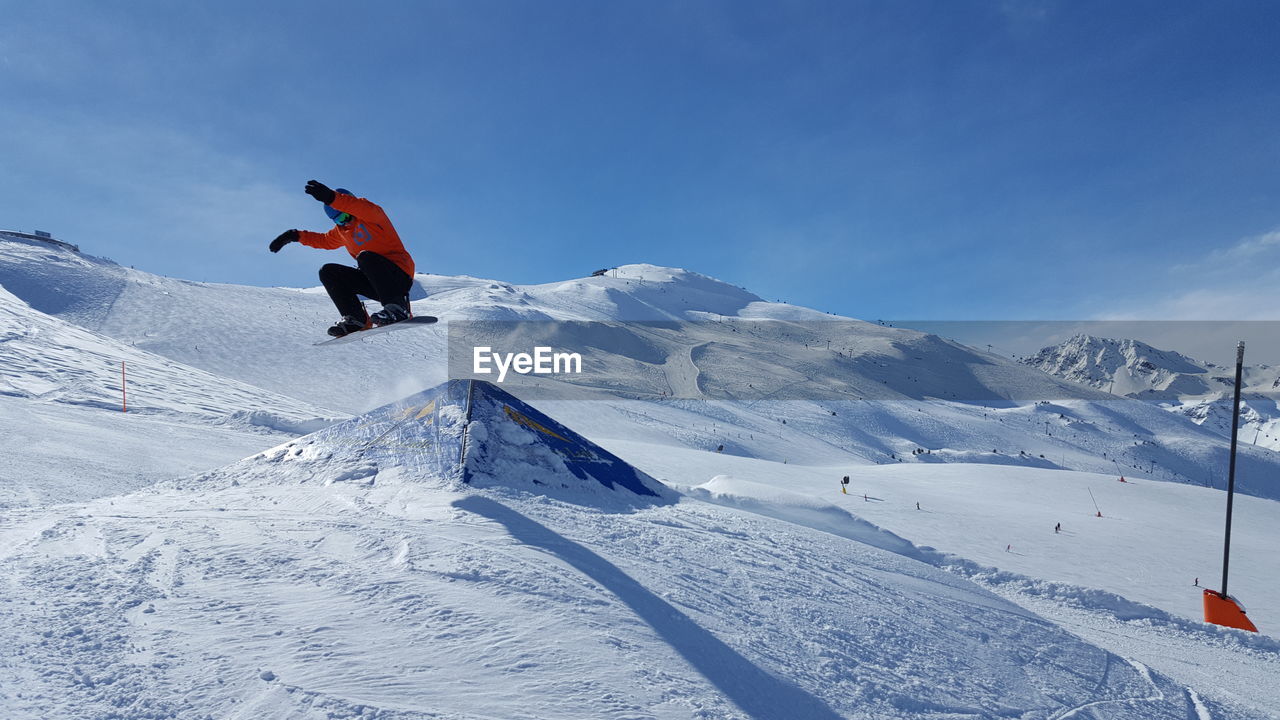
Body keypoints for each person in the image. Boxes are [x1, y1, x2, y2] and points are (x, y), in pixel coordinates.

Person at [270, 180, 416, 337]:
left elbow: (358, 207)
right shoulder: (342, 231)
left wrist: (332, 197)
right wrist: (295, 235)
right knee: (328, 271)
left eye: (347, 216)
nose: (346, 222)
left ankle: (398, 308)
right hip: (376, 283)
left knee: (365, 257)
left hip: (398, 276)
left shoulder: (373, 216)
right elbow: (323, 240)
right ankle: (356, 320)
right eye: (340, 220)